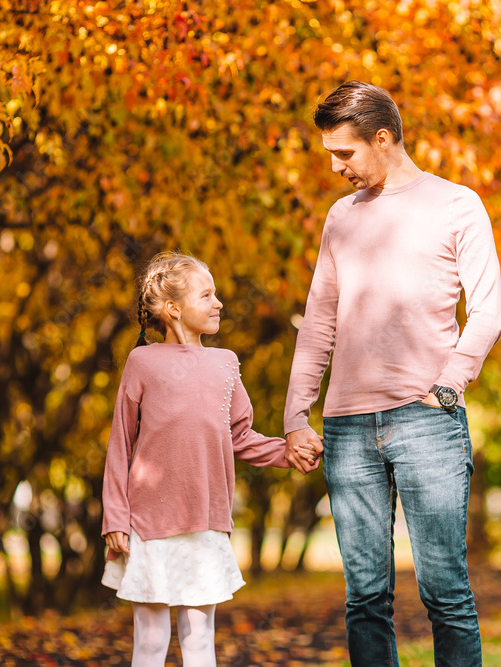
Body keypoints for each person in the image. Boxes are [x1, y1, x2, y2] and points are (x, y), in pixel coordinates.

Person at [283, 81, 501, 666]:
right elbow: (319, 322)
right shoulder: (340, 218)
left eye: (345, 153)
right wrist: (295, 416)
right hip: (348, 430)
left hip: (427, 422)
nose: (336, 167)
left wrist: (448, 384)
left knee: (445, 594)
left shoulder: (457, 205)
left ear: (383, 139)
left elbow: (488, 314)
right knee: (365, 599)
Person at [102, 251, 316, 666]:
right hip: (148, 526)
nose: (218, 303)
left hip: (206, 522)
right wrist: (115, 516)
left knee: (200, 641)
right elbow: (120, 443)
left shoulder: (225, 364)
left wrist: (288, 453)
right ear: (173, 309)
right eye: (207, 295)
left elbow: (241, 437)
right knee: (149, 641)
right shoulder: (141, 361)